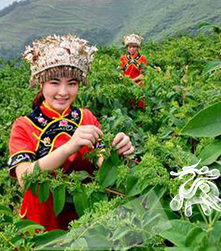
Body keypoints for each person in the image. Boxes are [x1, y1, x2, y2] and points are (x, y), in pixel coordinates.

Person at [8, 34, 135, 231]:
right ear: (41, 83)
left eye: (72, 83)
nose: (63, 92)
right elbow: (24, 179)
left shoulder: (86, 117)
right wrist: (68, 148)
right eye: (54, 83)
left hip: (86, 215)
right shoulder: (24, 125)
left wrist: (116, 152)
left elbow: (101, 161)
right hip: (43, 221)